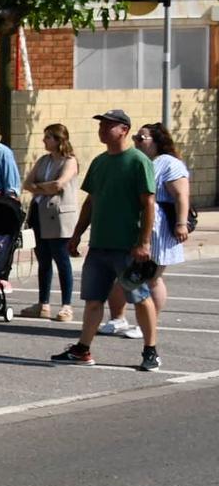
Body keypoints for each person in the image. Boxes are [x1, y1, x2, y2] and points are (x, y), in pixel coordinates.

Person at [51, 109, 160, 371]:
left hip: (128, 246)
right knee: (93, 300)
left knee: (140, 297)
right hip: (100, 244)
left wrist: (144, 242)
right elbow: (91, 201)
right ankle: (83, 349)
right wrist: (76, 235)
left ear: (124, 129)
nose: (102, 129)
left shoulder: (138, 161)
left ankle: (150, 350)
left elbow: (149, 204)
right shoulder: (100, 162)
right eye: (101, 125)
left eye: (108, 125)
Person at [114, 123, 191, 332]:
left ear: (157, 141)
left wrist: (181, 223)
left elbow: (181, 195)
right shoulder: (142, 161)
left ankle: (150, 323)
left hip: (160, 229)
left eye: (142, 138)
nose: (136, 141)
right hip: (138, 226)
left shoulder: (169, 163)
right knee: (130, 274)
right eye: (135, 138)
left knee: (152, 276)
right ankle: (119, 318)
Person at [22, 123, 80, 321]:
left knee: (62, 260)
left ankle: (66, 306)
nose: (44, 140)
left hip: (59, 216)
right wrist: (41, 188)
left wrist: (39, 187)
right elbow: (27, 183)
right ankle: (43, 303)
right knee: (43, 260)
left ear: (58, 139)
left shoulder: (69, 161)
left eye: (48, 137)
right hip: (39, 213)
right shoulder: (44, 160)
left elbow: (59, 185)